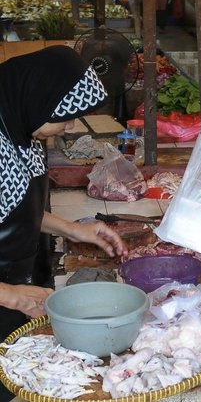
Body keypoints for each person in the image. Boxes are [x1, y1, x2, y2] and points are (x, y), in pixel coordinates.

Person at [0, 45, 128, 400]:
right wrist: (10, 296)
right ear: (38, 99)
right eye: (64, 117)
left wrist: (74, 229)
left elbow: (12, 207)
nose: (70, 126)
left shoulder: (19, 124)